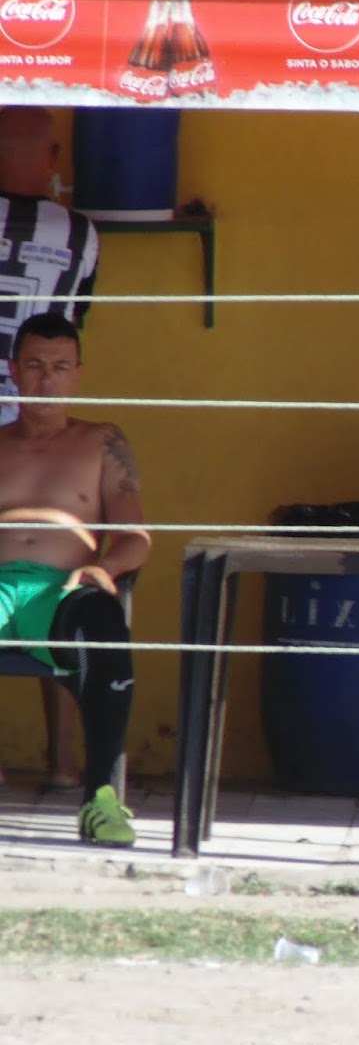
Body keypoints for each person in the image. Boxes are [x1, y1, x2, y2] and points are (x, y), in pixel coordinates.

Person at [0, 313, 147, 845]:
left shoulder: (101, 441)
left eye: (60, 367)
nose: (47, 380)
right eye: (35, 366)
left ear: (78, 373)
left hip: (62, 589)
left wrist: (103, 569)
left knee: (104, 622)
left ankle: (100, 799)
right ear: (14, 370)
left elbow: (135, 537)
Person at [0, 106, 102, 795]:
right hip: (42, 419)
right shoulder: (82, 234)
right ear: (54, 155)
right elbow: (73, 324)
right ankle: (64, 765)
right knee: (57, 575)